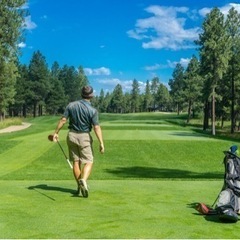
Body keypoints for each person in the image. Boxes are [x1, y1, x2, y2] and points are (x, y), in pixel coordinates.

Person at [52, 85, 104, 198]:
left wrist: (56, 133)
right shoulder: (93, 110)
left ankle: (79, 187)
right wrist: (101, 143)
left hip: (71, 135)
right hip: (84, 136)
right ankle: (83, 181)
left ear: (81, 94)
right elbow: (96, 127)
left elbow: (63, 120)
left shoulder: (71, 105)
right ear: (92, 95)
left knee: (76, 162)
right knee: (89, 161)